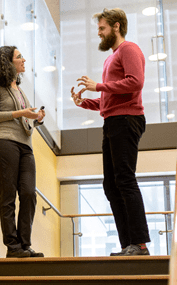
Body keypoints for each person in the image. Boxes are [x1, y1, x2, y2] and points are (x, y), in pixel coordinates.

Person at [71, 8, 151, 256]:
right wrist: (84, 102)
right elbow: (109, 101)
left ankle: (139, 244)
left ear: (116, 26)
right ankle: (128, 244)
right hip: (114, 120)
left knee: (124, 180)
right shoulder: (112, 57)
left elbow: (135, 82)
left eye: (102, 28)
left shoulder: (129, 49)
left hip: (127, 119)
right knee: (111, 185)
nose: (99, 33)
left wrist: (99, 85)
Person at [0, 46, 45, 258]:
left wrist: (37, 118)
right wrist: (22, 112)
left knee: (29, 194)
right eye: (19, 57)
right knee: (9, 195)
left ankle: (25, 244)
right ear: (8, 62)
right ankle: (13, 247)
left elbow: (25, 120)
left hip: (25, 146)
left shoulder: (20, 90)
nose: (23, 60)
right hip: (5, 142)